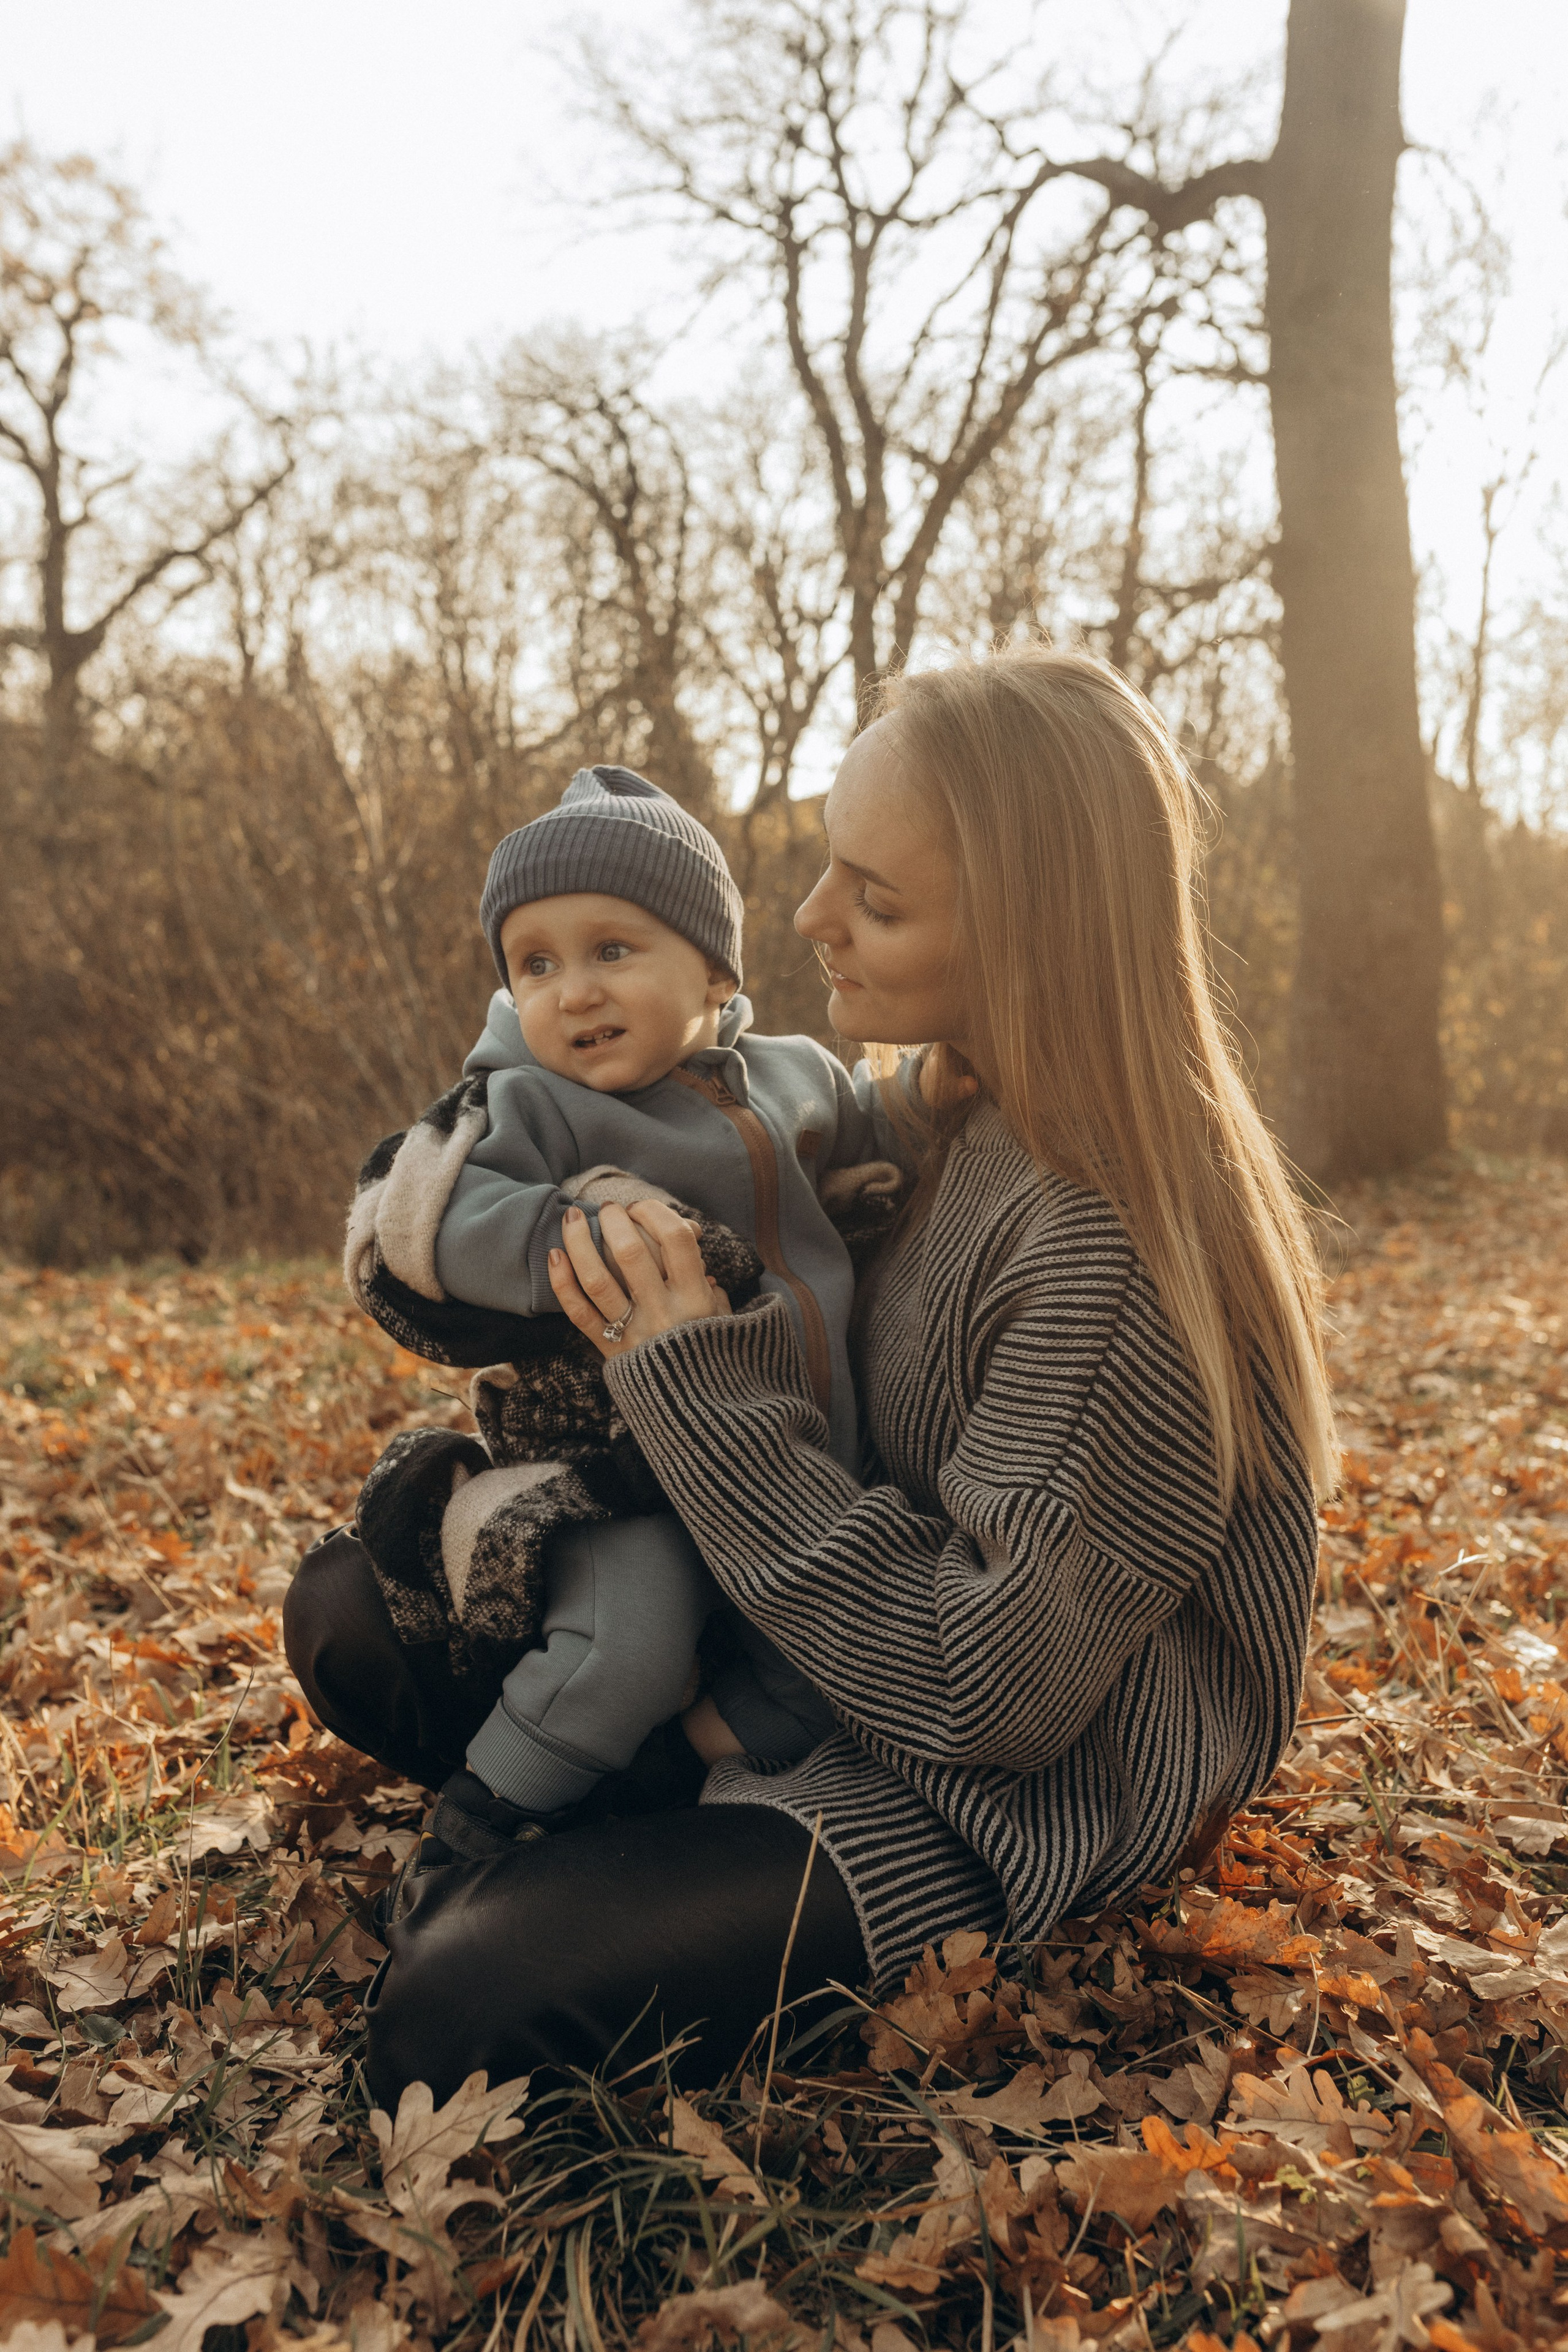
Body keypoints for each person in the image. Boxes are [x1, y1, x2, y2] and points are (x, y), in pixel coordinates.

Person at [286, 646, 1333, 2107]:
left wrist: (690, 1385)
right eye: (831, 868)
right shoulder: (944, 1108)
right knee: (349, 1610)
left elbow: (989, 1696)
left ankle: (618, 1827)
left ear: (1030, 930)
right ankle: (629, 1799)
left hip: (985, 1792)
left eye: (876, 898)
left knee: (455, 2010)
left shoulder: (1107, 1249)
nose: (805, 918)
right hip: (811, 1663)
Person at [326, 761, 904, 1869]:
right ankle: (482, 1822)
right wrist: (563, 1237)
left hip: (800, 1464)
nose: (573, 993)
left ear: (716, 968)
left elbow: (868, 1130)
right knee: (622, 1651)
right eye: (534, 965)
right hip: (628, 1465)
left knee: (823, 1673)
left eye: (612, 951)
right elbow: (437, 1220)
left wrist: (884, 1162)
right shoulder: (539, 1107)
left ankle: (643, 1797)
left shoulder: (794, 1078)